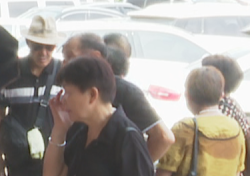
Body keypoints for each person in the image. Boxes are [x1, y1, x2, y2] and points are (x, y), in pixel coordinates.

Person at [63, 32, 175, 161]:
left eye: (71, 57)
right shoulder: (69, 90)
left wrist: (134, 170)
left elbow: (164, 137)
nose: (64, 64)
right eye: (64, 58)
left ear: (95, 56)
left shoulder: (124, 91)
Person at [0, 15, 61, 176]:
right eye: (38, 46)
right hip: (19, 160)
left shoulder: (63, 74)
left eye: (49, 47)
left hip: (53, 160)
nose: (43, 52)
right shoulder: (11, 73)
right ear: (29, 43)